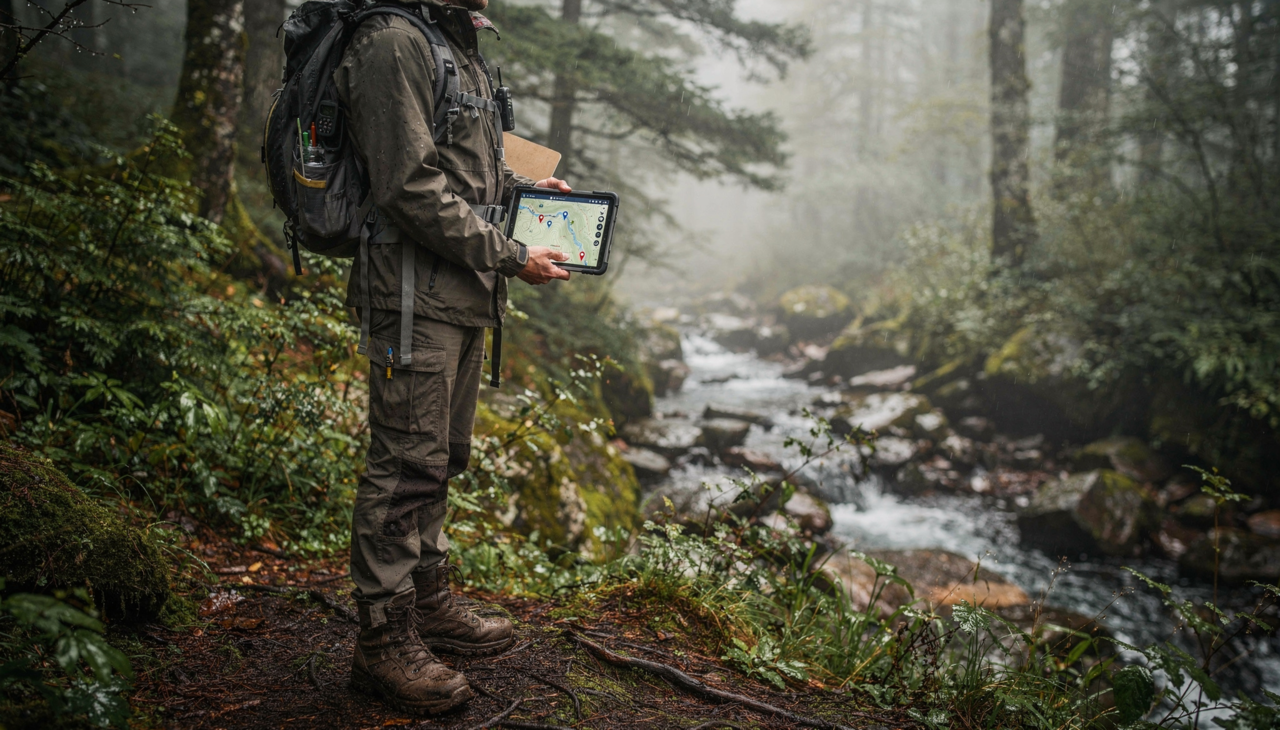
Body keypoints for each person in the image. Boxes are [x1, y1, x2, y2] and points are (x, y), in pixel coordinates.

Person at [334, 0, 570, 714]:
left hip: (461, 292)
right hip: (411, 296)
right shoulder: (392, 42)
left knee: (443, 456)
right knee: (405, 465)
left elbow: (465, 166)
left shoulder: (453, 42)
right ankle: (381, 645)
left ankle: (429, 604)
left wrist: (526, 194)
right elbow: (408, 185)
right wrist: (510, 253)